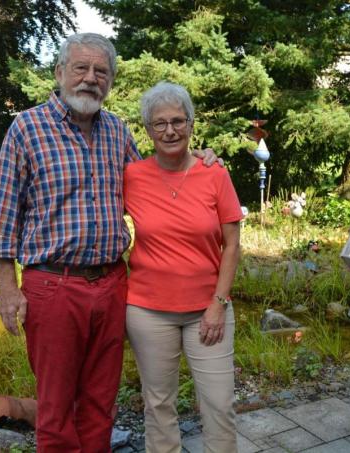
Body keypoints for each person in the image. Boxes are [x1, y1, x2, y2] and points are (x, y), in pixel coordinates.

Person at [0, 33, 217, 452]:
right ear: (60, 73)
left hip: (112, 285)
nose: (91, 78)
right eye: (81, 68)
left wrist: (195, 160)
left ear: (110, 81)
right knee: (56, 407)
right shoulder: (27, 128)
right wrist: (6, 287)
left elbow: (153, 182)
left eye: (101, 71)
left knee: (100, 401)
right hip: (53, 285)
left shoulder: (116, 131)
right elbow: (4, 214)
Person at [123, 81, 242, 453]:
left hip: (208, 310)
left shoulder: (215, 173)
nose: (170, 130)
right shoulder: (132, 176)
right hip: (148, 312)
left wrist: (218, 304)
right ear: (148, 130)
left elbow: (232, 245)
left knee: (219, 405)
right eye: (159, 123)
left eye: (178, 121)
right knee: (158, 405)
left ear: (191, 124)